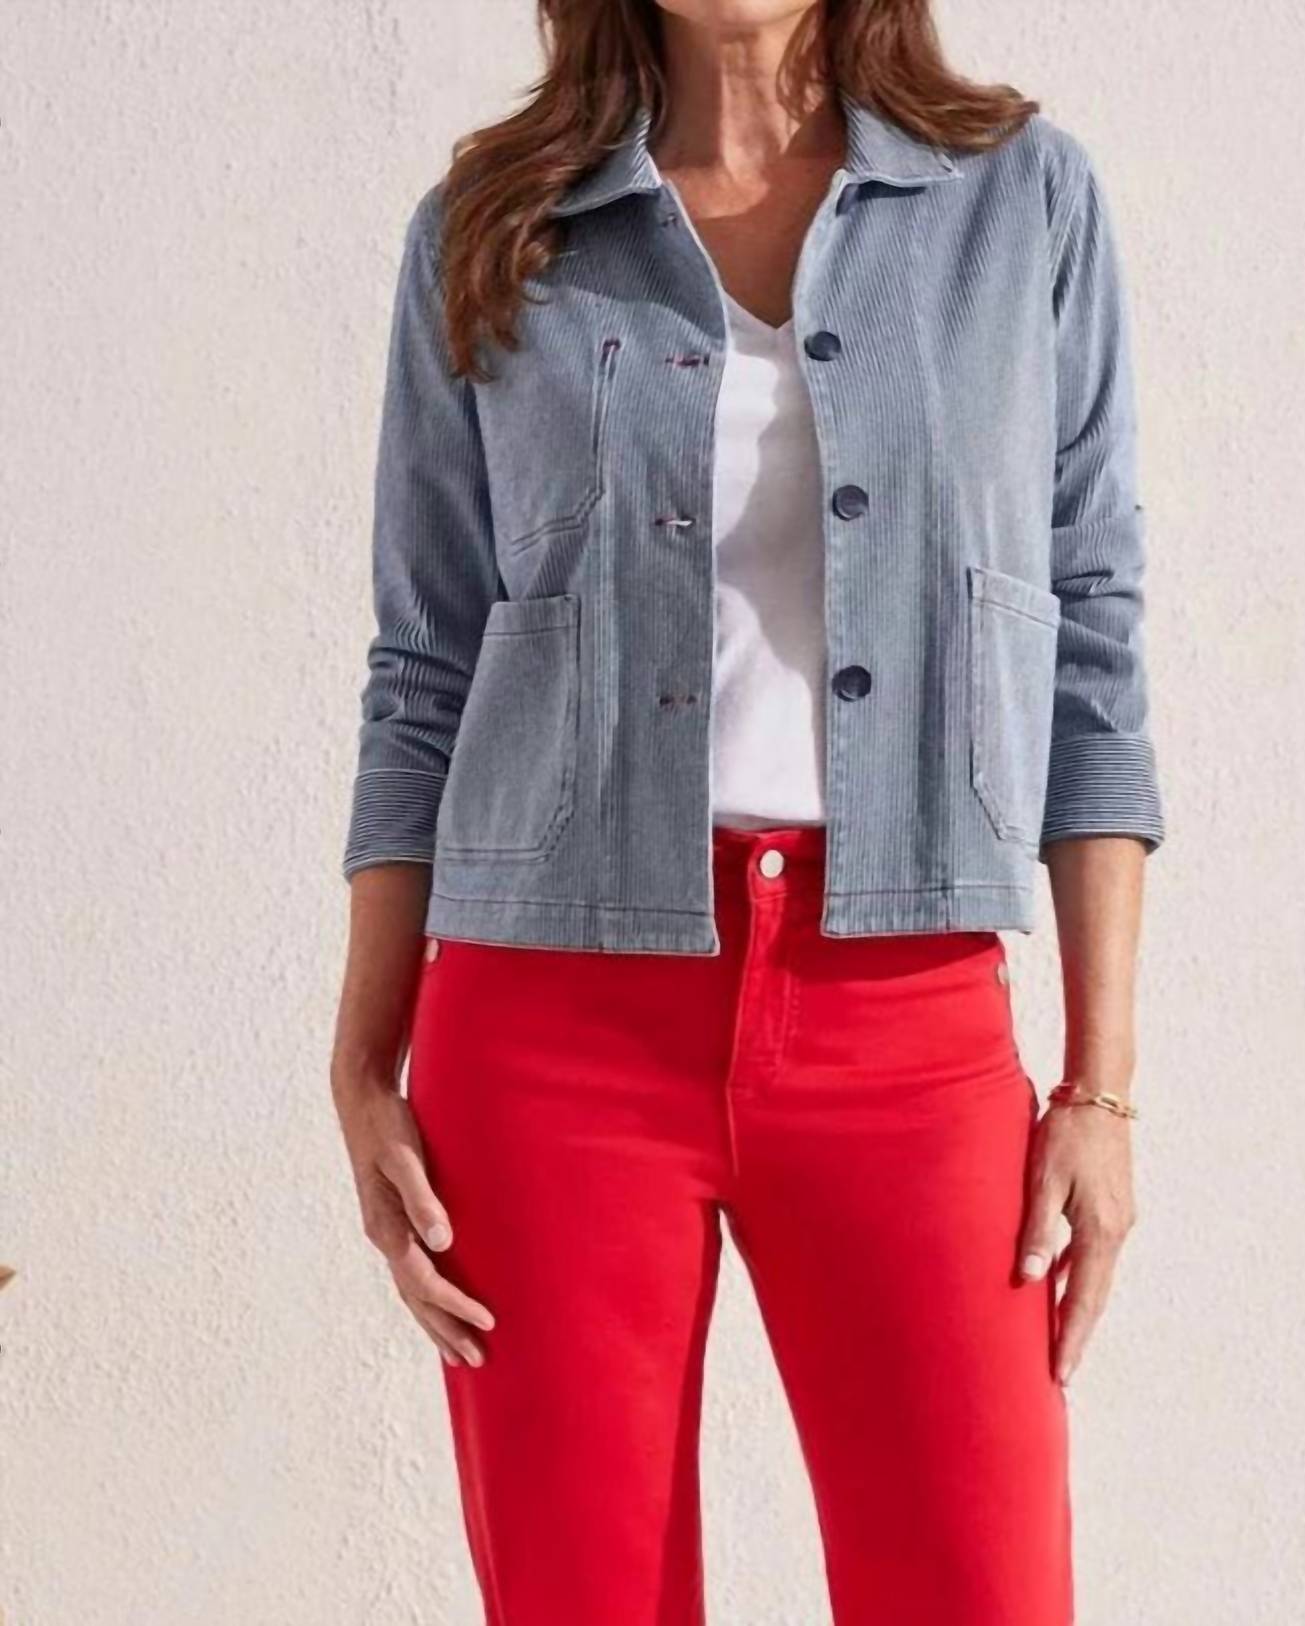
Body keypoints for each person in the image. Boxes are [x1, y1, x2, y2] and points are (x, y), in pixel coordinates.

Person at [329, 2, 1165, 1620]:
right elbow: (423, 661)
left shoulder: (1023, 202)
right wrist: (366, 1063)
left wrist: (1101, 1087)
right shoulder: (494, 223)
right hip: (550, 1026)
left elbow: (1093, 641)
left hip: (906, 1005)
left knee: (979, 1586)